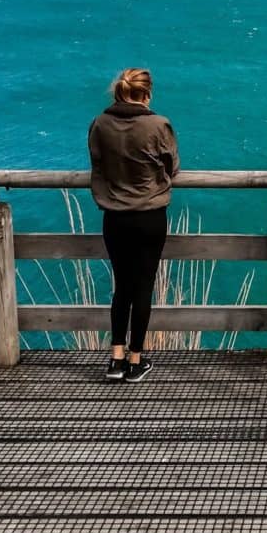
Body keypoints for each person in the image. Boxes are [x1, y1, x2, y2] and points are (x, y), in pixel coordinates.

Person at [88, 68, 179, 382]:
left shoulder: (99, 124)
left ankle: (115, 357)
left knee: (122, 287)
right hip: (149, 216)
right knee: (143, 287)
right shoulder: (158, 125)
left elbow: (97, 164)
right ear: (147, 94)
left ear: (118, 91)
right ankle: (136, 360)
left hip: (114, 217)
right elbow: (172, 166)